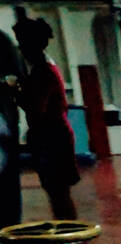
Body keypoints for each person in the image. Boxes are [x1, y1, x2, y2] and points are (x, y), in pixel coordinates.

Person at [13, 15, 79, 220]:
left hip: (54, 139)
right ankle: (69, 237)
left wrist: (14, 90)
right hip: (53, 136)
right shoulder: (44, 68)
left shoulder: (44, 71)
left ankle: (71, 240)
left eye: (22, 44)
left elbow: (36, 107)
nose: (21, 50)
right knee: (57, 193)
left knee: (59, 193)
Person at [0, 30, 22, 232]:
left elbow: (16, 80)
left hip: (4, 126)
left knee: (7, 188)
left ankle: (13, 237)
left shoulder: (3, 43)